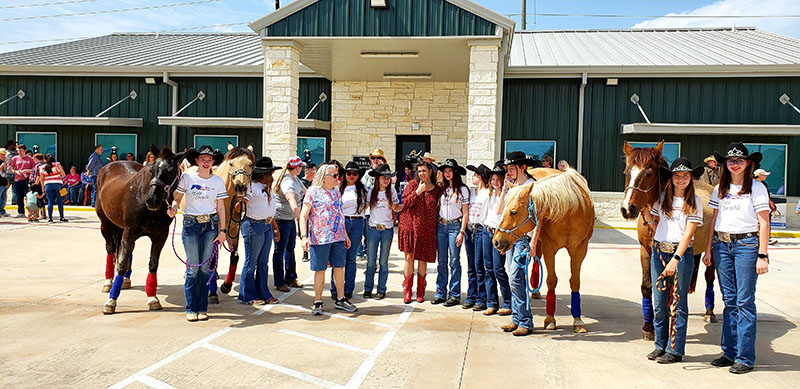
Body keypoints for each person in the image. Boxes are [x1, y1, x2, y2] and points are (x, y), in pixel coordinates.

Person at [702, 142, 770, 374]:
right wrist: (709, 248)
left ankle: (745, 356)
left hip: (747, 245)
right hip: (722, 245)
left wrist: (762, 254)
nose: (735, 164)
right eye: (731, 161)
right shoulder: (720, 188)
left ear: (748, 163)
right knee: (729, 301)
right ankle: (728, 352)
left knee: (744, 302)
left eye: (740, 160)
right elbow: (714, 220)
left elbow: (764, 222)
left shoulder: (757, 188)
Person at [640, 158, 705, 364]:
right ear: (672, 178)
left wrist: (676, 259)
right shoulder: (661, 199)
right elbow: (656, 224)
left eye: (686, 175)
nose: (681, 179)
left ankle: (675, 350)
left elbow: (688, 234)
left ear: (691, 178)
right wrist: (645, 215)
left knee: (678, 303)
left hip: (681, 254)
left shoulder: (695, 202)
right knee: (659, 303)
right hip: (660, 250)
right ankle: (660, 345)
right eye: (677, 175)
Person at [167, 145, 229, 322]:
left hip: (210, 226)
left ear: (213, 162)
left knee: (205, 269)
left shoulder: (217, 182)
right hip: (191, 225)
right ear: (196, 161)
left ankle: (202, 307)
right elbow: (177, 198)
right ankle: (190, 307)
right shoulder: (187, 177)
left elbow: (220, 208)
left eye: (209, 160)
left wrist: (222, 231)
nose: (206, 162)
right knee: (193, 268)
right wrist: (173, 207)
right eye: (202, 159)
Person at [299, 164, 357, 314]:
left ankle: (341, 298)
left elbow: (339, 213)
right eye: (334, 176)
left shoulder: (337, 191)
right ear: (324, 178)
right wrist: (304, 236)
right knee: (320, 269)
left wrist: (345, 235)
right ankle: (318, 300)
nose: (338, 179)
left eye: (338, 176)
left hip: (337, 236)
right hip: (320, 237)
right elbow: (303, 215)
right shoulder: (313, 192)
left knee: (339, 267)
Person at [501, 151, 539, 336]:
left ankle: (525, 321)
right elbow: (504, 213)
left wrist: (534, 243)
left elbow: (540, 219)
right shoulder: (513, 187)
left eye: (511, 168)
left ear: (522, 167)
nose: (509, 172)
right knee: (513, 278)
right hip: (512, 237)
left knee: (516, 277)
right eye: (508, 169)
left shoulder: (532, 188)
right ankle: (517, 318)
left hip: (524, 238)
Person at [238, 157, 281, 305]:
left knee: (263, 262)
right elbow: (243, 204)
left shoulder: (266, 187)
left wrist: (275, 228)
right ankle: (248, 295)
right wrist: (241, 203)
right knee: (251, 262)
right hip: (253, 225)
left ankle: (263, 293)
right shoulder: (251, 187)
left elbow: (270, 210)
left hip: (267, 225)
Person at [399, 161, 444, 304]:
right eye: (419, 171)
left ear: (430, 171)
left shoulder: (437, 189)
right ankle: (407, 290)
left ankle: (420, 291)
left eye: (424, 170)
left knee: (423, 258)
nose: (421, 174)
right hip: (411, 227)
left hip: (427, 229)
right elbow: (404, 204)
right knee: (409, 257)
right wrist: (418, 192)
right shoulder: (412, 185)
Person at [432, 159, 470, 307]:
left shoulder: (463, 189)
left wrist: (462, 231)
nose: (447, 173)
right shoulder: (441, 188)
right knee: (441, 261)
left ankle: (454, 294)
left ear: (455, 172)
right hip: (441, 226)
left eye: (450, 171)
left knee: (454, 261)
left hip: (455, 226)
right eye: (445, 171)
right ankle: (440, 292)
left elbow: (465, 213)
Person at [364, 164, 402, 300]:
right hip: (373, 228)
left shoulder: (391, 192)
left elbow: (396, 208)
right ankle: (368, 288)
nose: (386, 180)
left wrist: (400, 207)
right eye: (383, 177)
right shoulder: (371, 192)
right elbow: (364, 207)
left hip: (387, 229)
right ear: (378, 178)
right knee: (370, 261)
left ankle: (381, 289)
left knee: (383, 262)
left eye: (388, 177)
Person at [272, 156, 306, 292]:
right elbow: (291, 199)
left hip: (289, 220)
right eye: (300, 167)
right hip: (282, 220)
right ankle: (279, 281)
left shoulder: (296, 179)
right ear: (297, 168)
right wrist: (300, 217)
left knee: (290, 248)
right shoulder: (287, 182)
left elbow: (306, 192)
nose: (302, 169)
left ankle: (291, 277)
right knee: (279, 250)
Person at [483, 161, 512, 316]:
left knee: (499, 269)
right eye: (492, 179)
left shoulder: (506, 195)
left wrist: (505, 243)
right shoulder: (489, 194)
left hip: (498, 234)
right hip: (486, 232)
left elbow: (504, 215)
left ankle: (507, 301)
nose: (494, 182)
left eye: (497, 179)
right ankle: (491, 302)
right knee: (488, 269)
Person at [334, 162, 368, 300]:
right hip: (343, 222)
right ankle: (335, 288)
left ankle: (348, 289)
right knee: (338, 258)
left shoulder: (363, 189)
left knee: (351, 258)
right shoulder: (338, 189)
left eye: (355, 173)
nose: (352, 176)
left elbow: (368, 203)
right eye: (349, 173)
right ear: (344, 174)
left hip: (358, 222)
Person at [464, 164, 490, 311]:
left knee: (479, 265)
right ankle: (471, 295)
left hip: (480, 229)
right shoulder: (472, 193)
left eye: (474, 174)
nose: (472, 177)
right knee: (471, 265)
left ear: (479, 177)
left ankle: (482, 297)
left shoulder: (487, 193)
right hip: (470, 229)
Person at [38, 154, 67, 223]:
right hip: (58, 184)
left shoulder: (42, 167)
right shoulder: (57, 165)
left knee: (50, 202)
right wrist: (58, 175)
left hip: (48, 185)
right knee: (60, 201)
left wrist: (43, 188)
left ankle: (50, 218)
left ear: (45, 160)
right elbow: (63, 174)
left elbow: (41, 179)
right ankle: (61, 217)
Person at [9, 144, 35, 218]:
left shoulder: (30, 159)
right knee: (19, 196)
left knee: (28, 195)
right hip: (17, 179)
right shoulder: (15, 158)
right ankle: (21, 212)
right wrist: (16, 172)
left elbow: (34, 169)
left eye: (21, 150)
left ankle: (31, 211)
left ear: (25, 150)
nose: (19, 152)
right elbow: (11, 168)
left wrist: (26, 171)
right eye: (18, 150)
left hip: (27, 179)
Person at [753, 169, 778, 245]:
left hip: (764, 207)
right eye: (764, 175)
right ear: (759, 175)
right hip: (756, 208)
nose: (766, 176)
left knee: (765, 223)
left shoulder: (763, 184)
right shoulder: (753, 184)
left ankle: (766, 238)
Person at [3, 140, 17, 206]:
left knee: (15, 189)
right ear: (9, 145)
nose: (14, 146)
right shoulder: (5, 153)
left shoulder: (17, 153)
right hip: (7, 173)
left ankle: (14, 201)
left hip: (15, 173)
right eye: (13, 144)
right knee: (4, 189)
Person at [0, 148, 8, 217]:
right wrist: (1, 166)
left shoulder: (4, 162)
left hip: (3, 182)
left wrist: (7, 181)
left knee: (3, 198)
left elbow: (5, 173)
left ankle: (2, 211)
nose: (4, 156)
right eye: (2, 155)